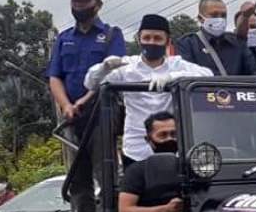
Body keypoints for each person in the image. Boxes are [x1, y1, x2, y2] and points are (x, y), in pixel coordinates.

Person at [84, 14, 212, 165]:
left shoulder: (177, 64)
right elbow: (90, 84)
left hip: (173, 147)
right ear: (139, 39)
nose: (152, 42)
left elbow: (208, 75)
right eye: (147, 38)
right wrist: (104, 68)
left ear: (168, 41)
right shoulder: (126, 67)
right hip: (135, 149)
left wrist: (175, 77)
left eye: (158, 38)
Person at [48, 0, 128, 212]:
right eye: (75, 0)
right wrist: (66, 105)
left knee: (106, 173)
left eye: (85, 0)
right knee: (77, 178)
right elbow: (54, 77)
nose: (79, 5)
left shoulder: (112, 34)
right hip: (71, 117)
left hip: (101, 113)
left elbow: (113, 72)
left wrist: (84, 100)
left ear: (98, 4)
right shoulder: (63, 38)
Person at [175, 0, 256, 76]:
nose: (219, 19)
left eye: (223, 15)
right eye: (214, 15)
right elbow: (186, 78)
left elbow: (255, 74)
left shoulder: (237, 42)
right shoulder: (187, 44)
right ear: (200, 18)